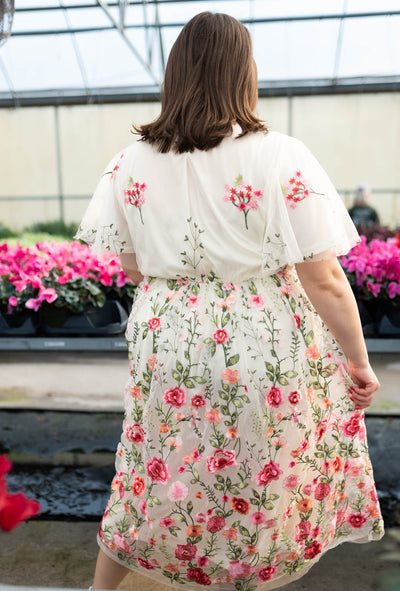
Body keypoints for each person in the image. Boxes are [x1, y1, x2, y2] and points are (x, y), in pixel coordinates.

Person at [75, 12, 384, 591]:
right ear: (244, 73)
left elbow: (134, 265)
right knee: (257, 476)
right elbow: (325, 279)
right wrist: (359, 363)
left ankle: (109, 585)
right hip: (262, 343)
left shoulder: (131, 161)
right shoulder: (280, 154)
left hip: (167, 338)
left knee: (152, 469)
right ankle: (243, 572)